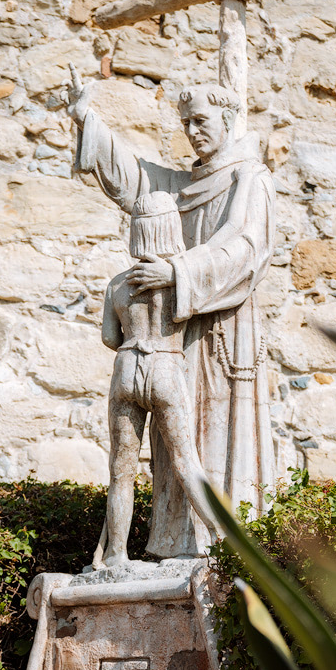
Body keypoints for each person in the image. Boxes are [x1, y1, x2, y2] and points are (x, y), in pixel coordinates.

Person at [65, 66, 276, 558]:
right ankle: (177, 541)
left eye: (201, 121)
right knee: (175, 449)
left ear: (227, 119)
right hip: (173, 333)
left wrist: (177, 274)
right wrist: (86, 119)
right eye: (186, 124)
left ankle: (228, 543)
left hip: (223, 327)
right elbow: (138, 180)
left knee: (215, 436)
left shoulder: (251, 178)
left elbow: (247, 246)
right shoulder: (185, 185)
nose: (193, 131)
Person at [95, 190, 217, 568]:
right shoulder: (175, 278)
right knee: (186, 461)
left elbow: (109, 338)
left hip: (127, 367)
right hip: (164, 364)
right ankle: (219, 535)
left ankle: (116, 553)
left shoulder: (117, 284)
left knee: (121, 470)